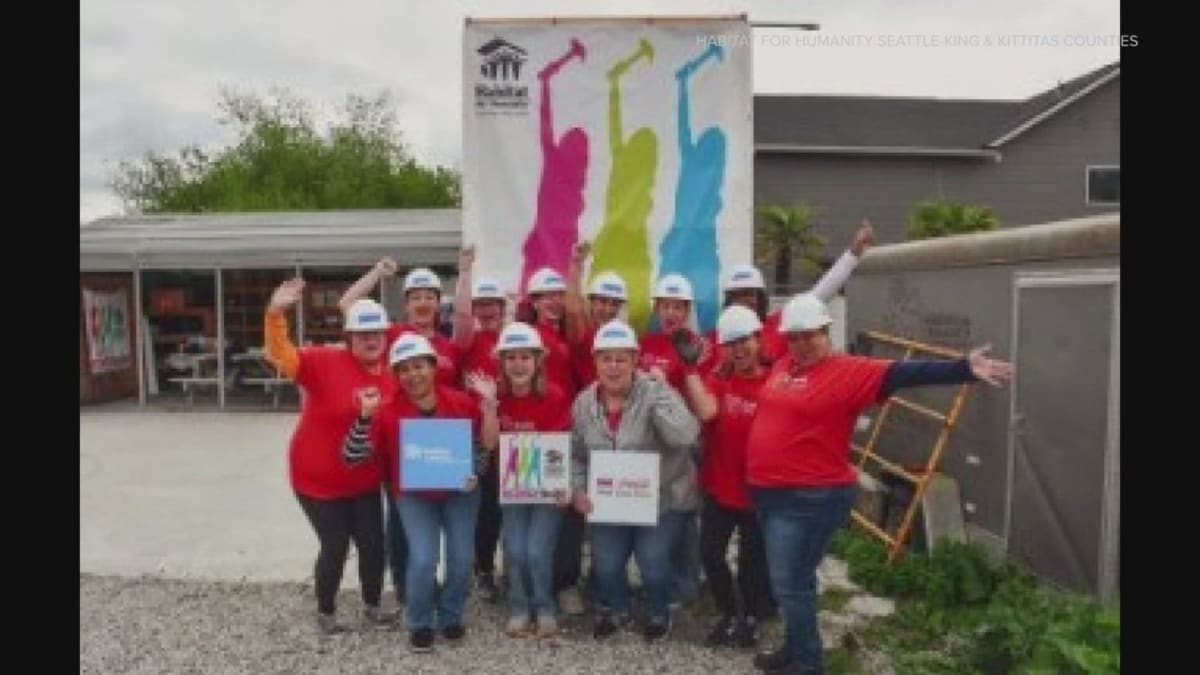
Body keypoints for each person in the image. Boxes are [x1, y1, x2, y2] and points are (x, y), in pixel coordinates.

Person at [745, 294, 1013, 675]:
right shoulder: (785, 364)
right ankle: (796, 647)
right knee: (794, 581)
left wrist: (964, 368)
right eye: (795, 337)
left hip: (809, 497)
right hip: (769, 493)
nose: (802, 344)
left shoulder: (848, 370)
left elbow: (907, 373)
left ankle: (807, 663)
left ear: (827, 332)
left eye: (810, 336)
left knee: (789, 583)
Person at [262, 278, 396, 634]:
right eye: (363, 334)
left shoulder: (395, 375)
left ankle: (372, 604)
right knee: (335, 545)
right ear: (350, 338)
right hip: (316, 479)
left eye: (377, 334)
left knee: (373, 544)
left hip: (364, 479)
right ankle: (326, 611)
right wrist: (276, 313)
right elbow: (280, 354)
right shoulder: (324, 361)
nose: (371, 340)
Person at [340, 260, 465, 606]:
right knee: (401, 517)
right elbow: (348, 305)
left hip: (443, 444)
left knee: (440, 520)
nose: (423, 303)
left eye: (430, 296)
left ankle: (431, 581)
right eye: (416, 297)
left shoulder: (449, 345)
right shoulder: (394, 334)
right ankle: (407, 586)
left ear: (439, 302)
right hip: (400, 436)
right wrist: (377, 274)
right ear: (406, 303)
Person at [353, 333, 486, 653]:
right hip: (414, 495)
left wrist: (475, 473)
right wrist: (363, 419)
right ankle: (420, 620)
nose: (413, 375)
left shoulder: (461, 402)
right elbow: (356, 457)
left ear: (434, 366)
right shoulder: (386, 412)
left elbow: (480, 448)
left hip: (460, 492)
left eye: (419, 366)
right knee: (424, 558)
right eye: (404, 369)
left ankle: (451, 614)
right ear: (395, 375)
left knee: (460, 559)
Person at [569, 320, 701, 642]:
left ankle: (659, 611)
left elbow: (686, 435)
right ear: (595, 361)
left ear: (635, 360)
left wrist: (660, 395)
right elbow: (575, 453)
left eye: (621, 359)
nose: (613, 367)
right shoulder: (584, 403)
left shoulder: (656, 391)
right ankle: (617, 609)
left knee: (653, 563)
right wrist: (579, 490)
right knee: (607, 564)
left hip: (661, 500)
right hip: (610, 503)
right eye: (605, 358)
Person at [467, 322, 574, 639]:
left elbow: (561, 445)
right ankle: (518, 605)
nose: (518, 364)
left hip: (546, 487)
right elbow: (488, 443)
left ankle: (543, 606)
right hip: (511, 487)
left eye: (525, 357)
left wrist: (564, 485)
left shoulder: (554, 395)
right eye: (510, 358)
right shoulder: (495, 395)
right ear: (501, 362)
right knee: (514, 548)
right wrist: (489, 406)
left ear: (538, 360)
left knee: (538, 551)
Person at [681, 305, 773, 649]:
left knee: (753, 561)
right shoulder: (719, 380)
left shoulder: (775, 380)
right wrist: (690, 369)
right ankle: (728, 613)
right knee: (711, 554)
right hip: (720, 487)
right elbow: (706, 410)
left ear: (758, 339)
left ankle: (751, 617)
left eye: (744, 340)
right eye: (731, 343)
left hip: (759, 493)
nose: (739, 349)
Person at [716, 220, 876, 364]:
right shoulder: (715, 338)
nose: (744, 300)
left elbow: (821, 293)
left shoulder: (781, 322)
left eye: (749, 293)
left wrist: (853, 253)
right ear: (728, 299)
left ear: (760, 297)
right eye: (737, 295)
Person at [451, 245, 509, 603]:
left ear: (503, 308)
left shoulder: (517, 337)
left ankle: (507, 568)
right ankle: (481, 568)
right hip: (473, 434)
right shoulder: (468, 339)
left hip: (513, 432)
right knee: (481, 506)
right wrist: (465, 272)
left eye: (493, 305)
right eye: (480, 305)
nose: (487, 311)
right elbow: (459, 317)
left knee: (506, 506)